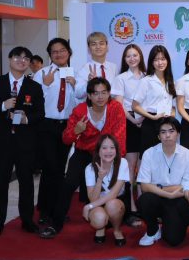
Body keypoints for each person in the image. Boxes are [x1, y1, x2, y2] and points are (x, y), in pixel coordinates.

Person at [40, 77, 126, 239]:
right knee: (68, 184)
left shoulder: (116, 108)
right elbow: (66, 139)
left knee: (113, 185)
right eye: (96, 93)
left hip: (108, 154)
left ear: (109, 94)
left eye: (104, 92)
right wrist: (76, 131)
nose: (100, 97)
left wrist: (113, 159)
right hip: (84, 153)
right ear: (89, 95)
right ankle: (56, 224)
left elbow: (119, 137)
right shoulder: (80, 110)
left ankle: (115, 220)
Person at [0, 46, 45, 238]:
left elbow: (40, 113)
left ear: (29, 63)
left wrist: (26, 119)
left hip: (25, 143)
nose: (22, 61)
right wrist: (2, 105)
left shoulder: (34, 87)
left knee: (26, 183)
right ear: (10, 59)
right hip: (1, 143)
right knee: (0, 183)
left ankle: (27, 221)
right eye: (17, 57)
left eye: (26, 58)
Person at [33, 38, 77, 225]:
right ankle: (45, 210)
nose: (59, 54)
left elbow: (80, 101)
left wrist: (76, 86)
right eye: (54, 51)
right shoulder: (41, 74)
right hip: (46, 125)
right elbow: (33, 102)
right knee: (49, 168)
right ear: (50, 55)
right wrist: (46, 85)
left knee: (60, 168)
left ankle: (58, 209)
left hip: (67, 125)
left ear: (69, 52)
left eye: (62, 50)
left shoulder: (75, 74)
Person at [136, 117, 189, 247]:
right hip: (157, 198)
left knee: (173, 240)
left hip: (178, 199)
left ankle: (177, 222)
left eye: (171, 131)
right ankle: (153, 230)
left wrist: (159, 188)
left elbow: (188, 186)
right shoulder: (149, 153)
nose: (167, 135)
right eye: (163, 132)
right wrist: (169, 193)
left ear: (178, 134)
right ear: (158, 136)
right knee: (144, 200)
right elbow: (144, 186)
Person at [112, 43, 146, 219]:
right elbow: (119, 105)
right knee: (131, 166)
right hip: (129, 122)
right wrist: (134, 120)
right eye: (128, 56)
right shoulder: (121, 78)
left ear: (140, 56)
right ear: (124, 59)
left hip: (146, 120)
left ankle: (142, 202)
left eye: (135, 55)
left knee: (144, 165)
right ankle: (132, 206)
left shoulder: (148, 77)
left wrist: (143, 118)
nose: (132, 59)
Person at [83, 134, 129, 246]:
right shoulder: (90, 168)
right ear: (98, 150)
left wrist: (88, 207)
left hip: (117, 203)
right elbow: (93, 199)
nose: (108, 151)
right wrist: (99, 179)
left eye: (112, 147)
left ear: (116, 150)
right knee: (98, 219)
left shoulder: (123, 163)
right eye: (104, 148)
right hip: (97, 203)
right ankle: (101, 228)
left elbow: (113, 194)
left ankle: (117, 230)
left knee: (112, 204)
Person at [132, 45, 176, 156]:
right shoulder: (146, 81)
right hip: (151, 123)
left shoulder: (170, 81)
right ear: (151, 62)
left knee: (166, 156)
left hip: (167, 123)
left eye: (163, 59)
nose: (160, 63)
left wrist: (172, 116)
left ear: (167, 60)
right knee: (148, 157)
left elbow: (172, 104)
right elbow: (135, 106)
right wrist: (152, 117)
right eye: (156, 60)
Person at [75, 32, 118, 101]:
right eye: (94, 44)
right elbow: (77, 94)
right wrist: (89, 83)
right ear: (89, 49)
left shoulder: (114, 67)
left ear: (107, 47)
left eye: (101, 43)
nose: (98, 47)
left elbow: (117, 91)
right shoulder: (84, 69)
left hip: (112, 106)